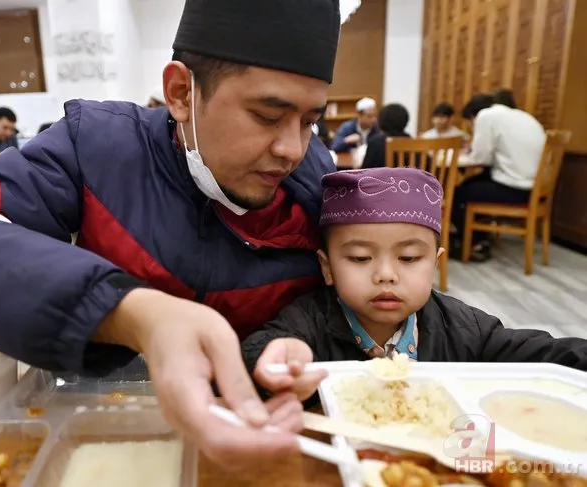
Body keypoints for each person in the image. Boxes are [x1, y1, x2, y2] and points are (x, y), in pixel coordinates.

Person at [0, 0, 341, 470]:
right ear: (181, 93)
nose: (291, 150)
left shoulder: (318, 189)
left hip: (262, 441)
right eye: (267, 116)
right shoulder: (101, 148)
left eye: (310, 121)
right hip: (105, 429)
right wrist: (133, 312)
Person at [242, 167, 587, 404]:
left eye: (408, 258)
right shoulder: (309, 321)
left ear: (434, 265)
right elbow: (263, 347)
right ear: (327, 267)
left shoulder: (463, 330)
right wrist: (277, 359)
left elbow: (540, 356)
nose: (386, 275)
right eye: (361, 258)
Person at [452, 93, 546, 262]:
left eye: (471, 124)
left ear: (474, 116)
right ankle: (476, 236)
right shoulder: (523, 116)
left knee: (455, 194)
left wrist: (462, 155)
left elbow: (480, 158)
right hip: (534, 189)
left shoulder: (486, 116)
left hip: (514, 188)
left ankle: (475, 243)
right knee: (473, 184)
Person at [361, 103, 411, 169]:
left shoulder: (375, 142)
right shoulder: (412, 141)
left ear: (381, 120)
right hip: (409, 179)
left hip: (381, 179)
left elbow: (365, 171)